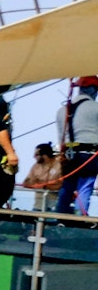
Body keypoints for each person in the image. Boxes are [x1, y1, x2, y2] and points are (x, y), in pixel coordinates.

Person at [55, 76, 98, 216]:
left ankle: (60, 217)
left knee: (67, 186)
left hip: (69, 153)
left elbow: (61, 138)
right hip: (89, 154)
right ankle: (81, 218)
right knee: (85, 186)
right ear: (93, 90)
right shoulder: (95, 108)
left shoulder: (62, 110)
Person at [22, 143, 62, 212]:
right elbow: (26, 183)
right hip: (37, 206)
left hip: (54, 206)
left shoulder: (59, 166)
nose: (33, 156)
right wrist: (45, 184)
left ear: (45, 155)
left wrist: (42, 185)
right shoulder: (35, 166)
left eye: (36, 155)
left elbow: (61, 185)